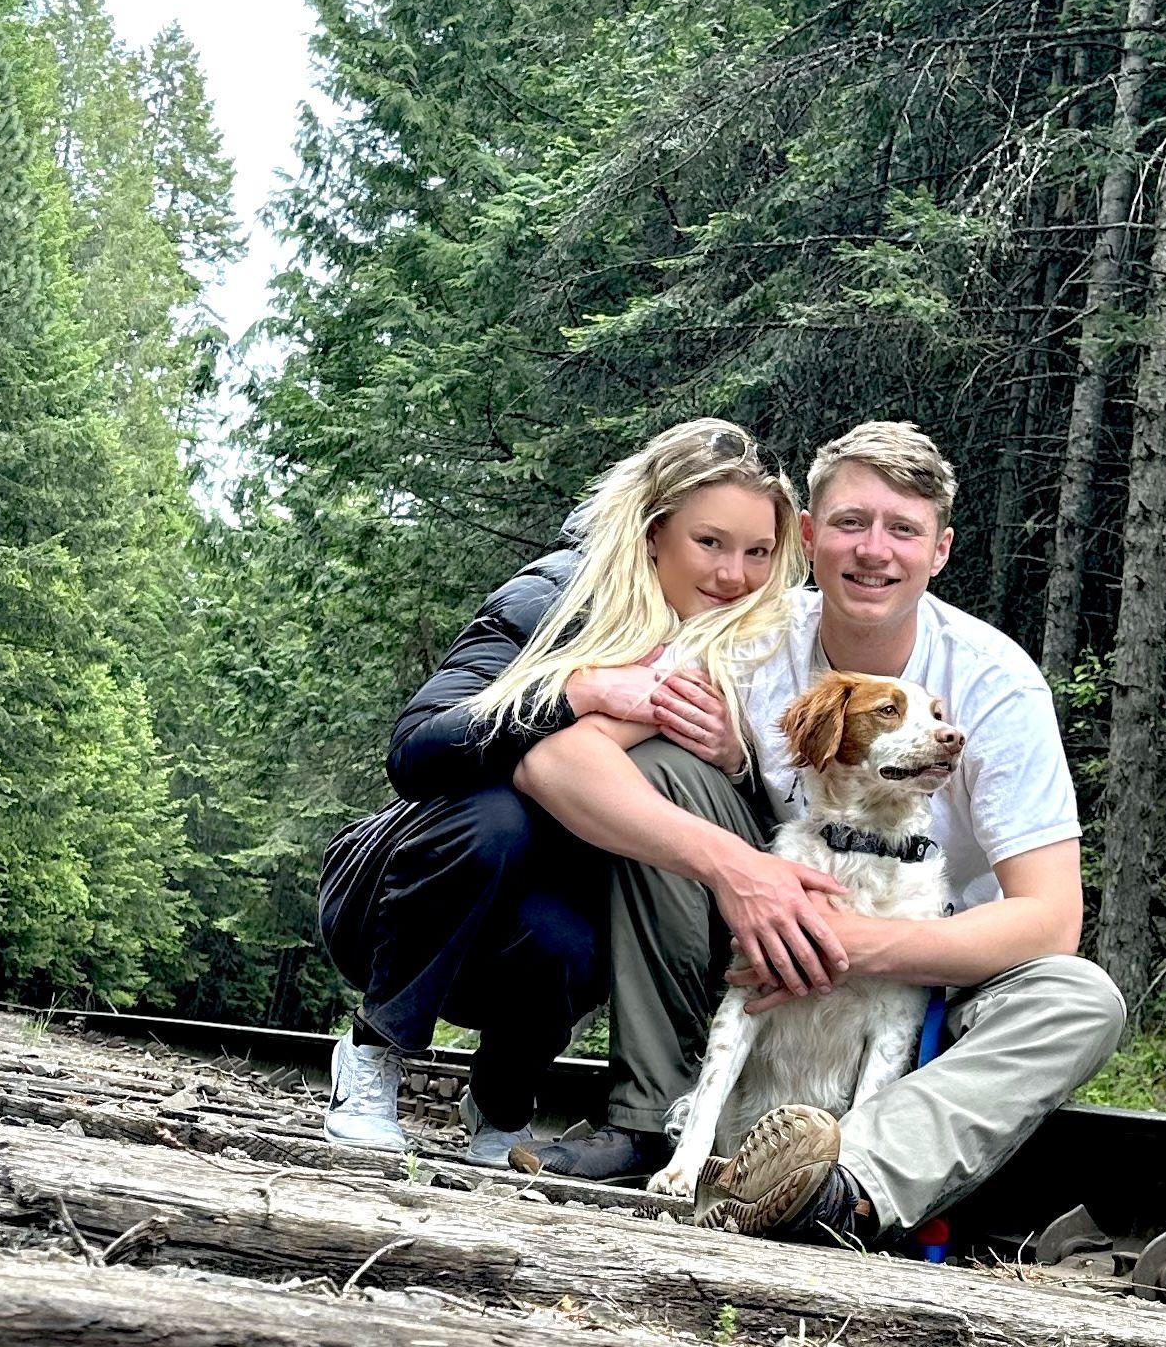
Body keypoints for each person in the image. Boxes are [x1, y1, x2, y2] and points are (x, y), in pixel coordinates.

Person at [510, 417, 1127, 1241]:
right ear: (807, 537)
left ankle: (841, 1186)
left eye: (903, 529)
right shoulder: (747, 641)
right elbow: (557, 764)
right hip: (756, 960)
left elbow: (1050, 921)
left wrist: (851, 944)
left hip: (931, 974)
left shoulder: (995, 684)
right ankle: (656, 1124)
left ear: (939, 551)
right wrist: (736, 870)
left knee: (1081, 998)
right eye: (850, 522)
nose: (874, 550)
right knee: (664, 770)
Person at [315, 420, 828, 1169]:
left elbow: (780, 821)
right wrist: (577, 691)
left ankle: (502, 1102)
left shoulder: (759, 647)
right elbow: (417, 750)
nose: (733, 575)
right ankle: (372, 1052)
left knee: (574, 930)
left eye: (758, 552)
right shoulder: (556, 593)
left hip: (536, 929)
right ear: (653, 534)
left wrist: (736, 760)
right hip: (401, 894)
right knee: (497, 817)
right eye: (709, 543)